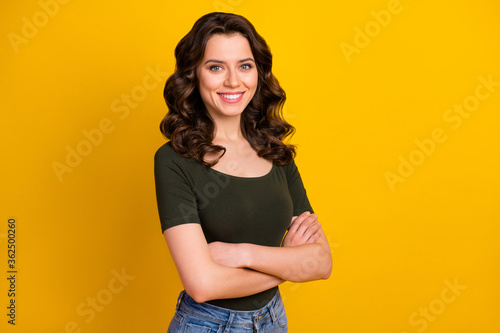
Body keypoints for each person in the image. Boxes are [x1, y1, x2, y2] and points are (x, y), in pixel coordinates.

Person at [154, 12, 332, 333]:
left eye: (245, 66)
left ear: (258, 74)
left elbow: (321, 262)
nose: (233, 81)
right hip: (207, 324)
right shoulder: (174, 161)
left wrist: (240, 253)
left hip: (274, 320)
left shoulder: (276, 152)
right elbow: (202, 284)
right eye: (216, 67)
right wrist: (288, 264)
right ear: (194, 75)